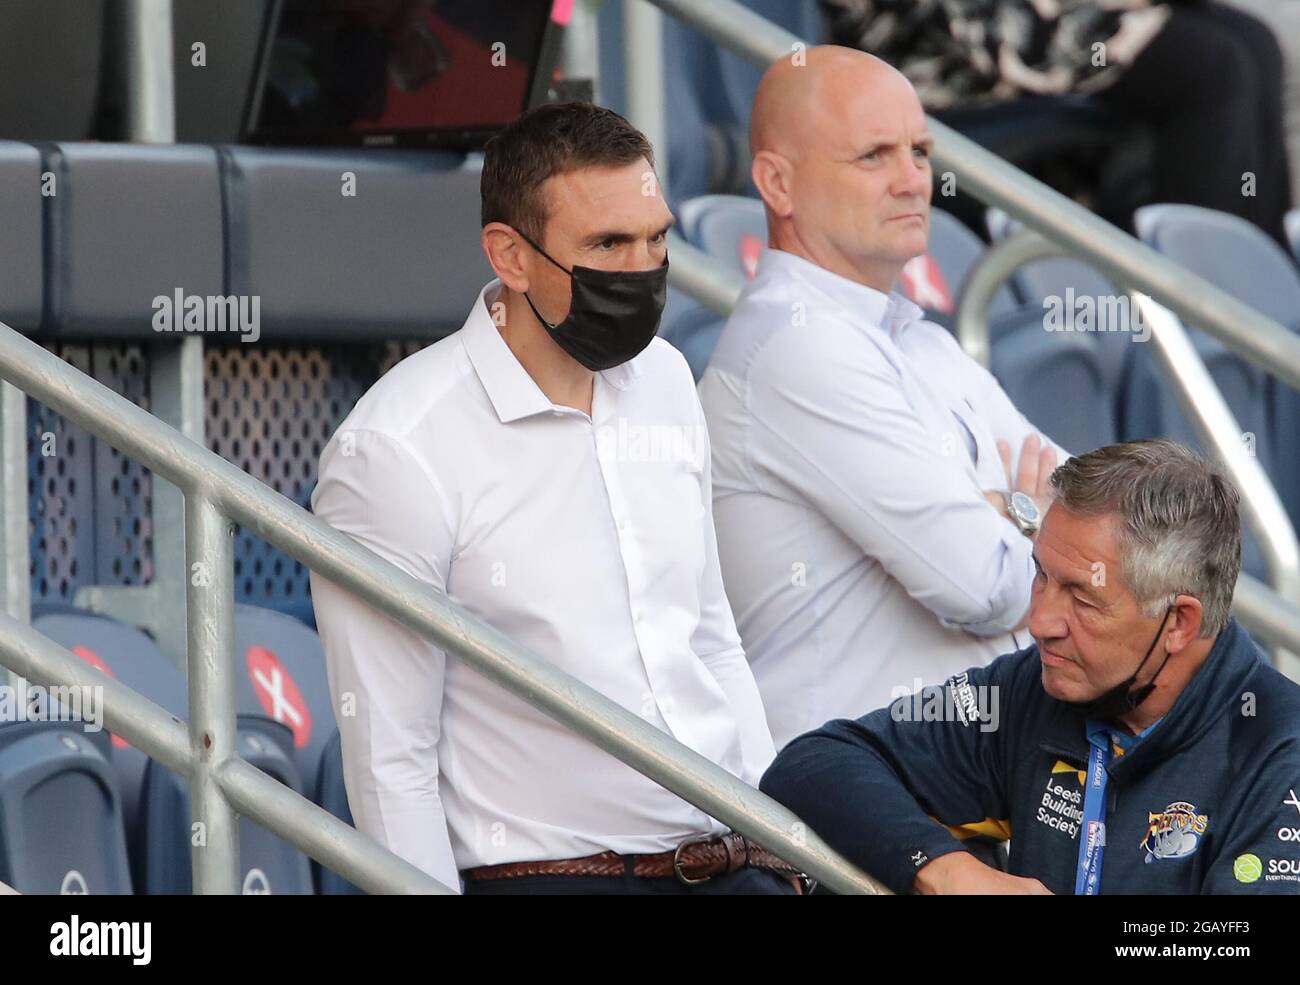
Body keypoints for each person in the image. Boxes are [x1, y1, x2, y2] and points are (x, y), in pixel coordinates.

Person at [310, 101, 797, 895]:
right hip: (553, 875)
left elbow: (709, 637)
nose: (642, 269)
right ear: (510, 255)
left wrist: (778, 840)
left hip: (733, 860)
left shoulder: (669, 378)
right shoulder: (398, 448)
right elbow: (389, 755)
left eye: (658, 238)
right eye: (607, 243)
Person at [699, 46, 1066, 750]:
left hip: (956, 794)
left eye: (921, 152)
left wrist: (1004, 518)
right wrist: (1027, 509)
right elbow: (982, 584)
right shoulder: (797, 346)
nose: (913, 181)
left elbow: (1103, 528)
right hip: (849, 820)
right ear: (778, 184)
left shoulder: (919, 341)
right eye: (874, 157)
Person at [761, 440, 1300, 895]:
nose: (1040, 620)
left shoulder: (1280, 750)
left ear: (1179, 622)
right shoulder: (1037, 687)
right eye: (1041, 576)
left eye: (1082, 600)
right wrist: (950, 872)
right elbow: (814, 764)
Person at [821, 0, 1294, 248]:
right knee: (1208, 64)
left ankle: (1259, 311)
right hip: (937, 45)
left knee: (1254, 41)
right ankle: (1202, 315)